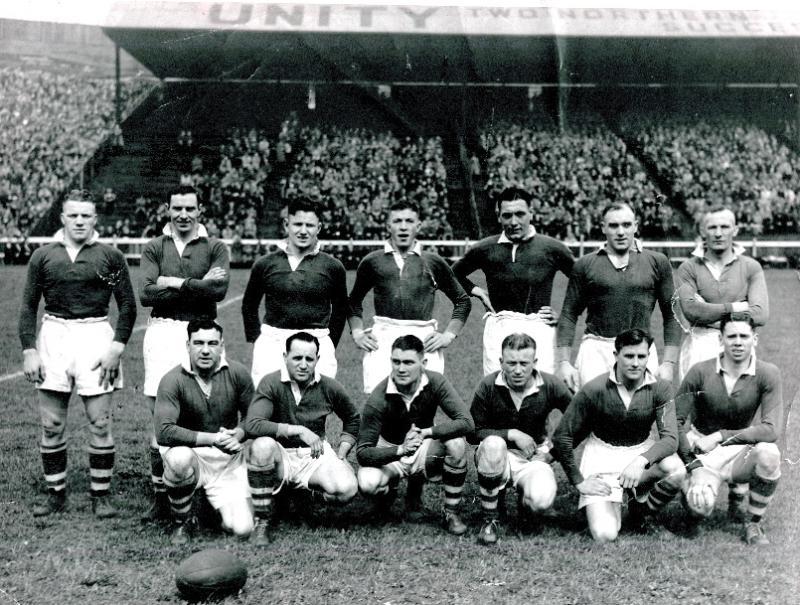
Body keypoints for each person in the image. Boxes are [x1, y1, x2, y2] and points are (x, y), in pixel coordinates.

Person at [19, 190, 137, 518]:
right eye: (74, 215)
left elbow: (127, 305)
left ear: (95, 219)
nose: (80, 221)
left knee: (100, 423)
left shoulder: (110, 256)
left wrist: (116, 348)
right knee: (53, 423)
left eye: (86, 215)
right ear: (63, 218)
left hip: (96, 335)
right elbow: (29, 306)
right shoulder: (43, 255)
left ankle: (101, 495)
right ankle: (55, 492)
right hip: (54, 334)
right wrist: (30, 350)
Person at [140, 185, 230, 521]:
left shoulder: (216, 246)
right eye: (177, 208)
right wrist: (197, 284)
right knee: (160, 418)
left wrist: (172, 282)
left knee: (210, 410)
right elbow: (146, 295)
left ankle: (206, 493)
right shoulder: (154, 246)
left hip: (204, 332)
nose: (183, 215)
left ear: (200, 209)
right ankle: (161, 497)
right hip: (162, 332)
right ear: (167, 208)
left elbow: (218, 291)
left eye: (189, 208)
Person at [552, 329, 684, 542]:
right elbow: (562, 437)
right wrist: (578, 481)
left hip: (639, 454)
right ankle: (611, 502)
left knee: (675, 470)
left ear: (648, 357)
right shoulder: (595, 388)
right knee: (605, 534)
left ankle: (642, 514)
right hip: (602, 455)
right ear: (615, 356)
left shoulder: (661, 388)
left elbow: (670, 438)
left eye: (641, 356)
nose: (635, 363)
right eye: (628, 356)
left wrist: (641, 460)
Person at [675, 313, 782, 545]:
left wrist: (721, 436)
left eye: (744, 336)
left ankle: (753, 523)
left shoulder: (768, 373)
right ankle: (689, 487)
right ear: (720, 339)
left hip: (738, 450)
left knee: (769, 454)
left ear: (755, 339)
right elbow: (673, 422)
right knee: (699, 508)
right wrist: (692, 464)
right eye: (731, 336)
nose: (738, 342)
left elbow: (772, 430)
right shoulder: (700, 371)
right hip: (702, 450)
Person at [245, 332, 360, 544]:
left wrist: (343, 453)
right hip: (280, 456)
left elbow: (353, 418)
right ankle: (262, 521)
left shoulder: (328, 386)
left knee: (347, 488)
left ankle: (307, 497)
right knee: (262, 446)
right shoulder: (271, 382)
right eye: (297, 358)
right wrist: (296, 430)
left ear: (317, 359)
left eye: (309, 359)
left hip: (313, 456)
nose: (303, 364)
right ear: (285, 356)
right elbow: (252, 424)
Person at [348, 200, 471, 394]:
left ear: (418, 225)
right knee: (384, 408)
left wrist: (448, 335)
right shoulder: (372, 261)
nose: (403, 227)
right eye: (397, 221)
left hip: (423, 338)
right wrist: (357, 332)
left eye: (409, 221)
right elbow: (353, 301)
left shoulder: (433, 261)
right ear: (388, 226)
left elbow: (462, 300)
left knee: (422, 406)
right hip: (384, 337)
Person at [556, 202, 681, 391]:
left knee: (639, 415)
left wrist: (669, 363)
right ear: (603, 228)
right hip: (596, 350)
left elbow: (672, 315)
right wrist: (564, 362)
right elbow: (568, 314)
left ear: (636, 226)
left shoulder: (657, 262)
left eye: (626, 225)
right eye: (613, 226)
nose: (621, 232)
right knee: (596, 416)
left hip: (640, 350)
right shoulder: (585, 264)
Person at [356, 335, 474, 535]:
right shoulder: (378, 396)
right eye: (396, 362)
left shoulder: (436, 381)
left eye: (409, 362)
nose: (401, 369)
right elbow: (363, 452)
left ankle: (450, 512)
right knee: (368, 482)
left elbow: (467, 422)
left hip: (423, 446)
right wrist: (400, 450)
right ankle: (387, 497)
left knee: (456, 444)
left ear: (423, 362)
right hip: (391, 450)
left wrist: (427, 432)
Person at [452, 187, 574, 375]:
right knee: (499, 394)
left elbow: (583, 282)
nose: (514, 222)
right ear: (498, 216)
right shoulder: (486, 248)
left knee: (539, 394)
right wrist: (477, 291)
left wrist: (565, 315)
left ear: (531, 213)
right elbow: (451, 275)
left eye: (520, 214)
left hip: (539, 327)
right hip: (499, 328)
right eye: (507, 215)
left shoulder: (552, 248)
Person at [154, 319, 254, 545]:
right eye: (198, 343)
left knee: (243, 529)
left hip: (226, 462)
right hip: (192, 457)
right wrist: (212, 439)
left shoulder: (238, 373)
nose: (206, 350)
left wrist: (237, 434)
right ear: (188, 345)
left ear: (222, 345)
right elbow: (163, 431)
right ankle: (182, 521)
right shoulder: (172, 380)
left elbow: (255, 418)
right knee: (179, 459)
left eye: (212, 343)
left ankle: (207, 507)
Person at [469, 333, 572, 545]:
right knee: (493, 444)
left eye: (524, 363)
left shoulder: (550, 384)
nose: (517, 370)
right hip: (498, 455)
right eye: (511, 363)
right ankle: (490, 520)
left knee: (541, 500)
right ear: (500, 362)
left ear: (534, 362)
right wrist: (512, 434)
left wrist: (552, 452)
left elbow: (576, 419)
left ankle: (525, 509)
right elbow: (472, 432)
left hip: (532, 457)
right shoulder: (487, 386)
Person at [242, 198, 348, 386]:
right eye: (298, 224)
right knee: (268, 405)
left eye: (310, 225)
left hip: (315, 342)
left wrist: (329, 342)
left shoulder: (333, 266)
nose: (303, 231)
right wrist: (257, 338)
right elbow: (249, 304)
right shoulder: (265, 264)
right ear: (286, 225)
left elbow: (340, 309)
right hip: (273, 343)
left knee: (312, 407)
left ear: (319, 227)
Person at [673, 206, 768, 381]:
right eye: (712, 227)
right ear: (703, 231)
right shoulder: (688, 268)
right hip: (699, 346)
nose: (718, 233)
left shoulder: (751, 266)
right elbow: (691, 311)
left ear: (735, 230)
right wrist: (736, 307)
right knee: (697, 406)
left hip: (738, 344)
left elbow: (761, 314)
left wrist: (708, 311)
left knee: (738, 405)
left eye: (724, 227)